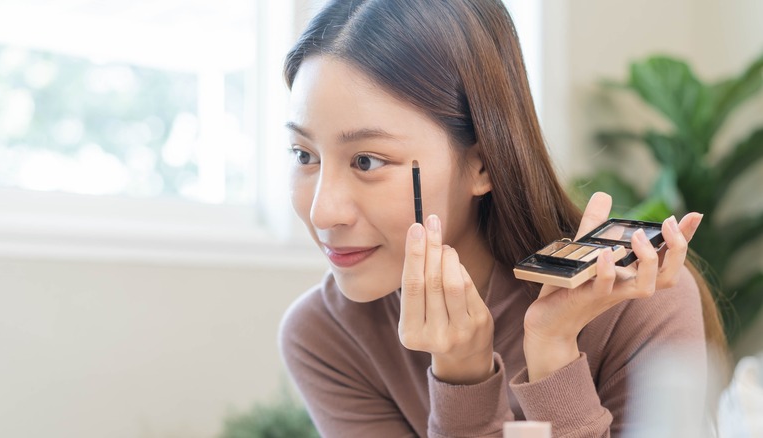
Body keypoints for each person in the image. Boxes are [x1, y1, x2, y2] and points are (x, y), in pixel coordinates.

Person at [278, 0, 726, 436]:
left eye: (367, 161)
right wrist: (462, 380)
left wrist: (553, 353)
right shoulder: (325, 337)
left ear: (483, 165)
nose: (322, 211)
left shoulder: (638, 302)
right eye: (304, 154)